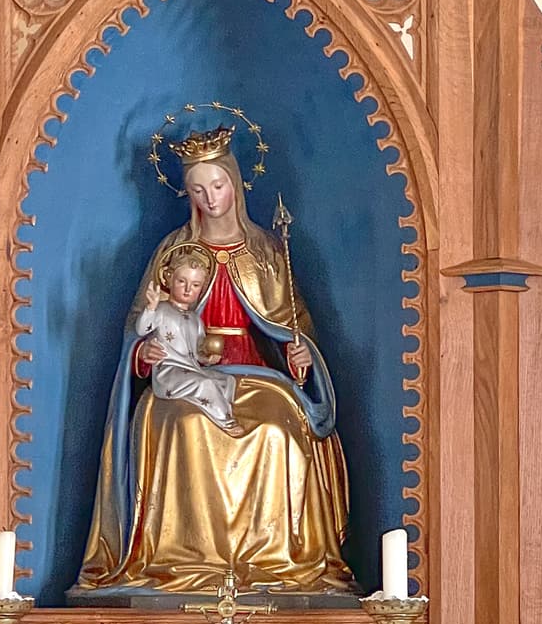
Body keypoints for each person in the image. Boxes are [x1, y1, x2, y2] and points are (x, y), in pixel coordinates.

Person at [75, 125, 356, 596]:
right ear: (187, 194)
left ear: (236, 183)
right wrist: (144, 353)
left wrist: (301, 348)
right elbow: (139, 325)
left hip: (258, 378)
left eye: (218, 185)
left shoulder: (267, 251)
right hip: (185, 375)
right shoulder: (173, 251)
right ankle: (182, 564)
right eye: (198, 190)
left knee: (279, 433)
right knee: (182, 428)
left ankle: (276, 564)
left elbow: (294, 322)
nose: (210, 198)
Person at [137, 242, 245, 437]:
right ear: (169, 279)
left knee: (226, 380)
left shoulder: (195, 319)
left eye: (195, 285)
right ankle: (226, 422)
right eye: (181, 282)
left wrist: (207, 359)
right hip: (168, 373)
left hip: (190, 369)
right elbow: (142, 328)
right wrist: (151, 308)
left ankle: (217, 411)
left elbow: (197, 352)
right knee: (205, 385)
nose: (188, 289)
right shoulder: (161, 310)